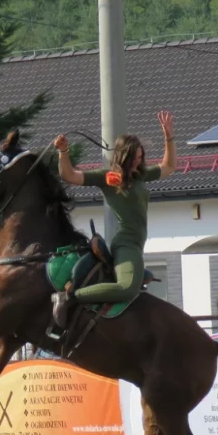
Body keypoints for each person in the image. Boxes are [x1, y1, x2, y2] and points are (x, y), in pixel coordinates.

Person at [51, 111, 177, 326]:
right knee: (127, 288)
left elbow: (169, 167)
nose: (139, 161)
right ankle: (70, 297)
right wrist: (64, 151)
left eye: (141, 157)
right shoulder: (107, 177)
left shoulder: (139, 175)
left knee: (133, 288)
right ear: (125, 156)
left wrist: (169, 137)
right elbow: (69, 175)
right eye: (136, 157)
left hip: (136, 244)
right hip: (127, 242)